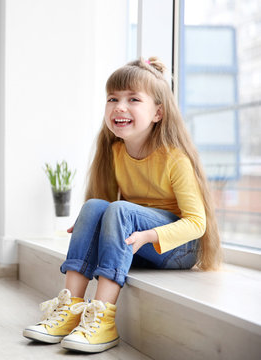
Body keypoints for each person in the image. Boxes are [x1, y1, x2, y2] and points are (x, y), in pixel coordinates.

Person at [23, 57, 222, 353]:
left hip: (176, 247)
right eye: (112, 98)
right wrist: (87, 226)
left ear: (158, 113)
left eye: (133, 99)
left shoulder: (174, 159)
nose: (119, 106)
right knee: (93, 206)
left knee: (120, 209)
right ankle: (70, 308)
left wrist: (149, 236)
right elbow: (102, 206)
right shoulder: (115, 152)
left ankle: (103, 317)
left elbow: (197, 224)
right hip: (134, 241)